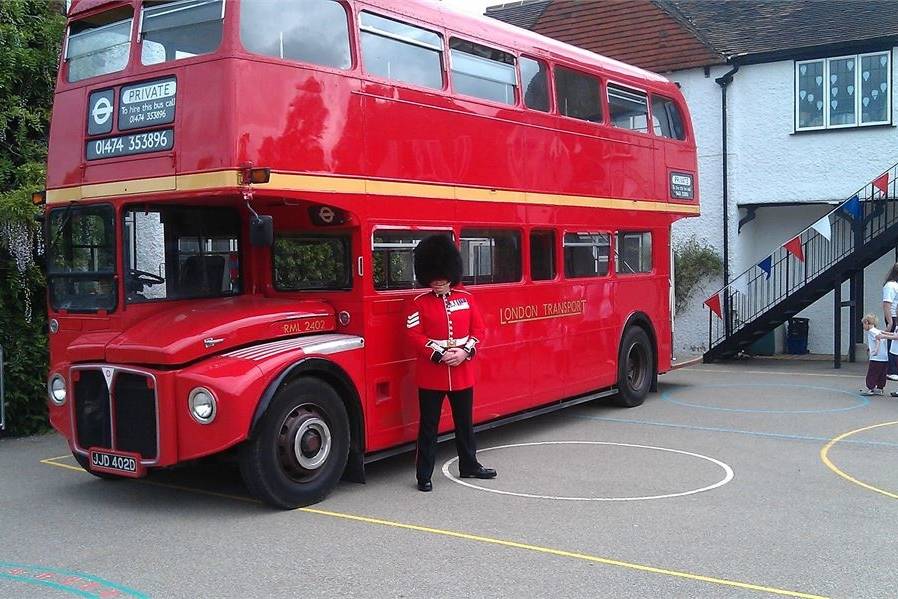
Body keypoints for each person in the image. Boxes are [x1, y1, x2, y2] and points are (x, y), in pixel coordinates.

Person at [405, 234, 497, 492]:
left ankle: (469, 465)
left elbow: (479, 329)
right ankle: (424, 474)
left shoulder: (465, 299)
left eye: (441, 279)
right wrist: (436, 354)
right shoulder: (418, 304)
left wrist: (465, 352)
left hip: (462, 371)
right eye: (433, 280)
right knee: (429, 427)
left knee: (465, 423)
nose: (437, 284)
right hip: (432, 374)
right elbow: (413, 335)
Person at [862, 314, 888, 396]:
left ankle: (870, 387)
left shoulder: (871, 332)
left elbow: (878, 339)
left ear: (866, 322)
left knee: (872, 373)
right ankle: (880, 388)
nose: (863, 327)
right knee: (882, 373)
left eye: (863, 324)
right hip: (884, 357)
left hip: (876, 357)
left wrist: (875, 350)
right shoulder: (878, 330)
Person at [882, 263, 898, 380]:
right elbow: (887, 304)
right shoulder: (890, 285)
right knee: (891, 343)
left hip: (895, 316)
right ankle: (891, 370)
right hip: (892, 316)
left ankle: (893, 369)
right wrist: (890, 322)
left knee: (895, 343)